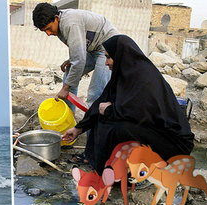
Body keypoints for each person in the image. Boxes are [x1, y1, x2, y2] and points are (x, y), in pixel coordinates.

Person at [62, 35, 195, 175]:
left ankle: (134, 172)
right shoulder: (123, 74)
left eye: (109, 57)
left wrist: (109, 110)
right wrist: (78, 129)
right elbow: (101, 103)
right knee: (102, 119)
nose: (106, 63)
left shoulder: (145, 77)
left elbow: (141, 114)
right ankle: (109, 168)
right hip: (149, 130)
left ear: (120, 56)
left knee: (119, 128)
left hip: (172, 142)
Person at [32, 3, 118, 109]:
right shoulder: (59, 26)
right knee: (69, 72)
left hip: (106, 46)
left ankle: (92, 122)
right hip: (93, 48)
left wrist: (65, 87)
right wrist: (71, 60)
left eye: (48, 28)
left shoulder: (70, 23)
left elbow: (79, 60)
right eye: (45, 31)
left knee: (95, 91)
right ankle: (69, 117)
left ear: (56, 18)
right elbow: (78, 51)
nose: (48, 33)